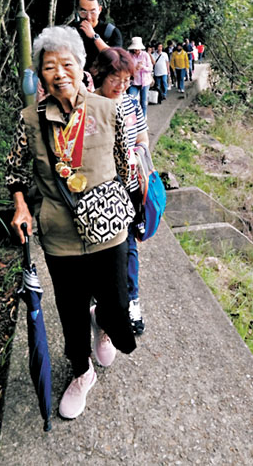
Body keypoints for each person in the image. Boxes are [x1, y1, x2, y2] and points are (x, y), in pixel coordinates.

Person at [6, 26, 136, 420]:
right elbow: (14, 171)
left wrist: (133, 207)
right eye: (49, 66)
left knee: (115, 303)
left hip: (108, 229)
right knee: (70, 309)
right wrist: (21, 206)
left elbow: (125, 164)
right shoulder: (31, 120)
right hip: (60, 234)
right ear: (40, 76)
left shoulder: (108, 110)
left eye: (67, 63)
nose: (59, 72)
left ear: (82, 67)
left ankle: (107, 325)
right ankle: (82, 372)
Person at [91, 47, 149, 335]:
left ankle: (131, 300)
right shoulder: (87, 106)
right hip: (96, 190)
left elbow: (141, 137)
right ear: (100, 75)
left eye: (127, 80)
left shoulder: (132, 104)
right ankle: (100, 301)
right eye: (116, 78)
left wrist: (139, 155)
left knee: (128, 245)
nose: (122, 86)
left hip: (128, 188)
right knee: (99, 248)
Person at [69, 0, 123, 69]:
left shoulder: (111, 32)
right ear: (77, 10)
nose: (89, 17)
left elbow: (116, 58)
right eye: (83, 11)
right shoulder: (70, 31)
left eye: (93, 11)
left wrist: (94, 36)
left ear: (99, 9)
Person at [126, 36, 153, 119]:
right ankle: (133, 118)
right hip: (134, 82)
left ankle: (143, 117)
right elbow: (127, 69)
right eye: (135, 49)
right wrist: (136, 68)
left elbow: (150, 68)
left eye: (138, 49)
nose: (137, 51)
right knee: (131, 100)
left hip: (145, 82)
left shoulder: (145, 55)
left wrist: (142, 67)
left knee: (143, 102)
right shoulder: (129, 55)